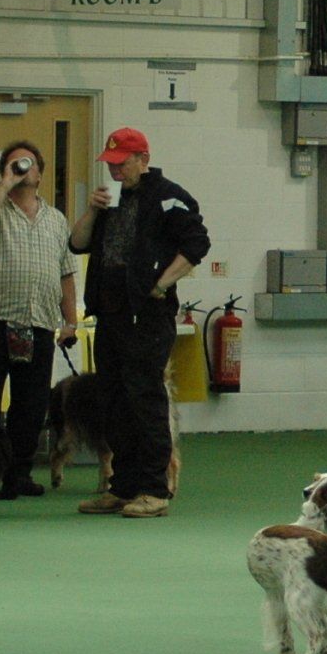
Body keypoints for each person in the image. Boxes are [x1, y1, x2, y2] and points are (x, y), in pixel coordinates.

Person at [68, 127, 209, 519]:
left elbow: (197, 245)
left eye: (122, 163)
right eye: (110, 164)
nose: (115, 171)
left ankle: (154, 489)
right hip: (109, 313)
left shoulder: (170, 197)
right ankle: (123, 486)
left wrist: (161, 284)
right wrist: (93, 210)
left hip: (147, 315)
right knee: (113, 398)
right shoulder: (109, 202)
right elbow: (77, 243)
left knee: (144, 398)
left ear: (143, 159)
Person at [0, 141, 79, 498]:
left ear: (41, 173)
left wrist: (70, 321)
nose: (23, 170)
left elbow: (66, 273)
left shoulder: (56, 219)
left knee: (30, 407)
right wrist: (3, 183)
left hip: (39, 325)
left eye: (29, 164)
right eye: (16, 164)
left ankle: (19, 474)